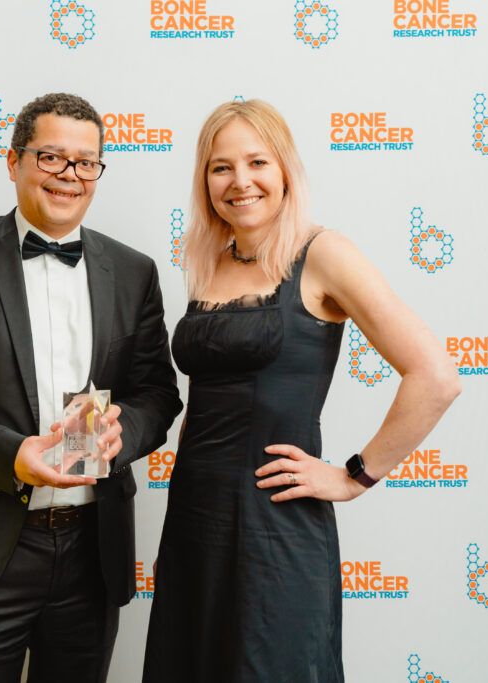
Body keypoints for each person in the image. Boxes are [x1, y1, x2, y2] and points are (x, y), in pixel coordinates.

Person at [142, 100, 461, 682]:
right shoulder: (208, 261)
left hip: (275, 530)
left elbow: (436, 376)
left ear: (285, 169)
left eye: (257, 161)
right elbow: (207, 398)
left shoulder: (324, 254)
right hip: (193, 522)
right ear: (204, 179)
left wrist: (352, 476)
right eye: (220, 167)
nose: (240, 181)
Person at [0, 92, 183, 682]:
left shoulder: (134, 272)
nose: (69, 176)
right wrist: (14, 454)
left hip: (92, 553)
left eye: (86, 163)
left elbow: (157, 393)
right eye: (52, 158)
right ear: (14, 162)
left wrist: (119, 436)